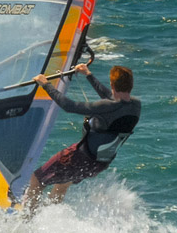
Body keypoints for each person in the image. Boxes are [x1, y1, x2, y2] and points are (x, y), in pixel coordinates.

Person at [23, 63, 141, 215]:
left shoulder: (106, 106)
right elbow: (111, 98)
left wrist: (45, 84)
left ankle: (26, 223)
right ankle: (47, 218)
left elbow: (69, 106)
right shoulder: (136, 105)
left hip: (79, 158)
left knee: (37, 180)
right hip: (98, 164)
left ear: (112, 84)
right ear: (130, 85)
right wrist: (88, 75)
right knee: (62, 184)